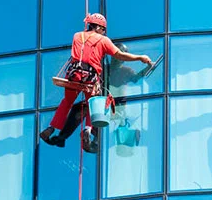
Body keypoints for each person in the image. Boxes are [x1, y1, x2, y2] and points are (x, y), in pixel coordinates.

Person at [39, 13, 153, 153]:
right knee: (94, 105)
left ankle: (51, 128)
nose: (104, 32)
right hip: (90, 78)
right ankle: (88, 130)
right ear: (99, 27)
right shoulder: (103, 40)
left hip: (74, 75)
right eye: (103, 29)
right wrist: (140, 57)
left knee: (67, 101)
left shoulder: (77, 36)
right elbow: (119, 54)